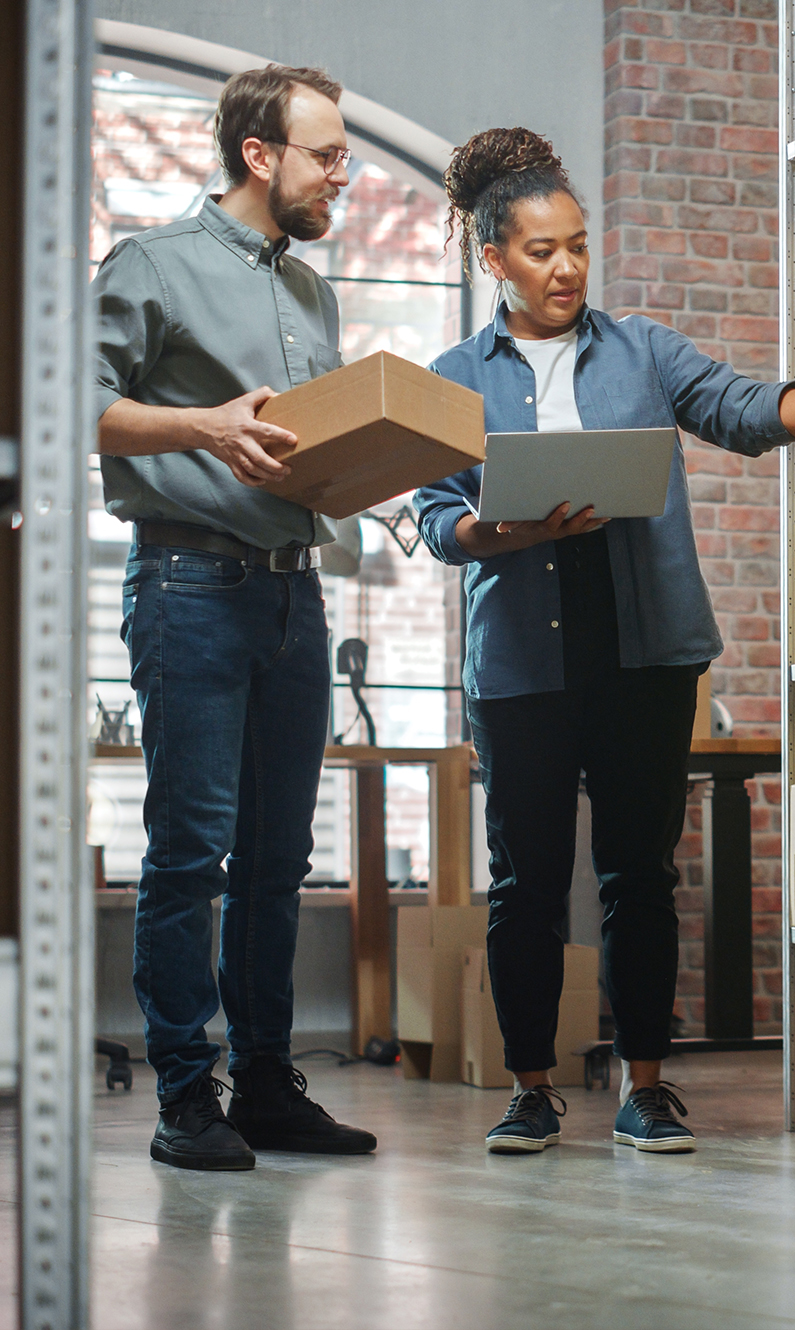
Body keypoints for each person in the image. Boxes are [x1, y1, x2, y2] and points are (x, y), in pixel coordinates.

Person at [414, 128, 795, 1156]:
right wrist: (495, 530)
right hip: (521, 662)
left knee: (637, 874)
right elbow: (436, 512)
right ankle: (530, 1088)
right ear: (492, 260)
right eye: (539, 251)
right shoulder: (451, 375)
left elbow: (737, 406)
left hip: (643, 654)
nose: (564, 267)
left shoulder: (643, 350)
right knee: (520, 885)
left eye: (576, 245)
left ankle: (645, 1088)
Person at [94, 64, 376, 1171]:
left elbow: (305, 448)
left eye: (348, 153)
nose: (342, 175)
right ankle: (184, 1099)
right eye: (328, 154)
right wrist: (203, 427)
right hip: (188, 588)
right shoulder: (152, 262)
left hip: (291, 591)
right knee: (190, 852)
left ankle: (265, 1084)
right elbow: (69, 402)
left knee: (275, 857)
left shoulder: (311, 293)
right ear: (259, 156)